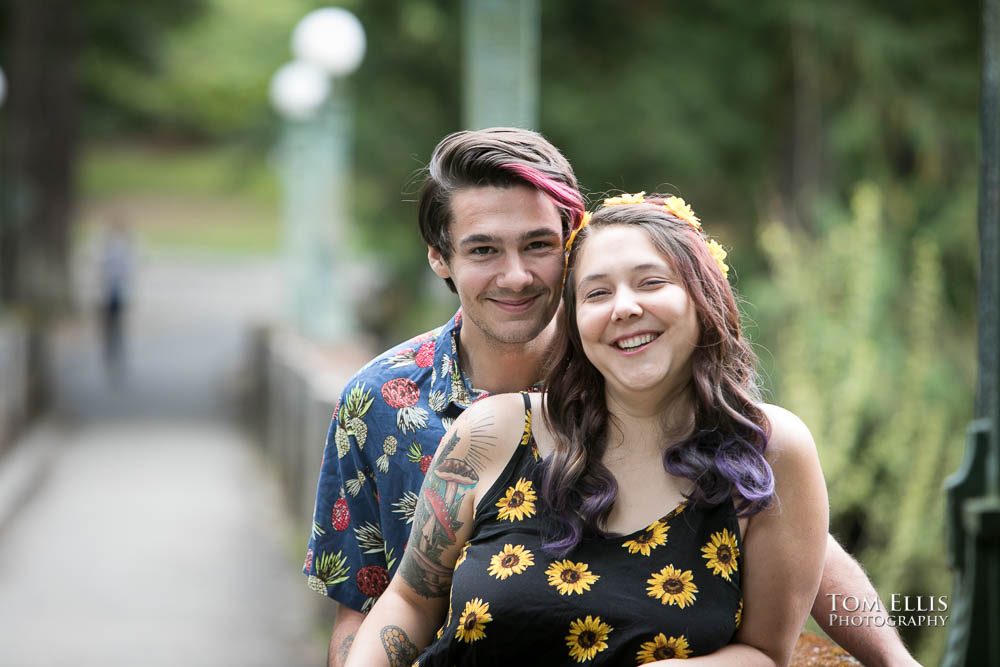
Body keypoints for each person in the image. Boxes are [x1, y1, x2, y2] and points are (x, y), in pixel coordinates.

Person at [304, 128, 921, 667]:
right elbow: (376, 604)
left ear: (571, 246)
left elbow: (784, 530)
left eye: (539, 245)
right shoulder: (384, 401)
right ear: (441, 259)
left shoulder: (643, 366)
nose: (516, 275)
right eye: (483, 249)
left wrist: (893, 658)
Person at [344, 194, 827, 665]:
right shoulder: (496, 431)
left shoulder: (767, 450)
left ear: (703, 297)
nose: (624, 308)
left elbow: (766, 651)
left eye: (651, 282)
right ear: (575, 322)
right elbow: (410, 601)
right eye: (597, 293)